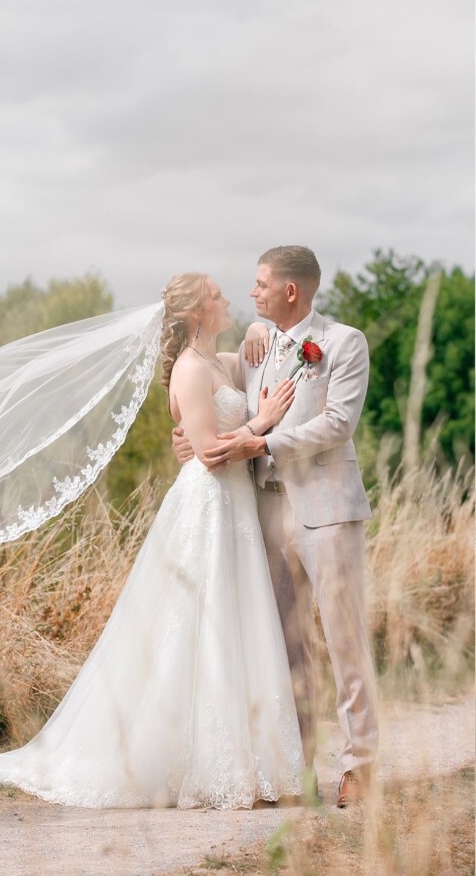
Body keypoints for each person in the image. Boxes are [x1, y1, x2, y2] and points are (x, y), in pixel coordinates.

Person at [0, 272, 306, 808]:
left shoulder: (217, 363)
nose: (228, 299)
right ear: (197, 312)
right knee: (201, 621)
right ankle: (197, 763)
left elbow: (253, 360)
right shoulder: (189, 369)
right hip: (209, 504)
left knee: (235, 619)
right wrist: (263, 422)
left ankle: (241, 761)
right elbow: (207, 453)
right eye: (218, 295)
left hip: (235, 507)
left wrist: (257, 329)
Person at [173, 246, 379, 808]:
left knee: (345, 642)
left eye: (261, 284)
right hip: (264, 513)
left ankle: (359, 767)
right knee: (286, 645)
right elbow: (212, 393)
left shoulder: (344, 343)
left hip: (328, 510)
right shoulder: (254, 349)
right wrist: (189, 436)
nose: (252, 293)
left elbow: (337, 423)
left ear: (291, 290)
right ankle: (297, 768)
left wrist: (264, 443)